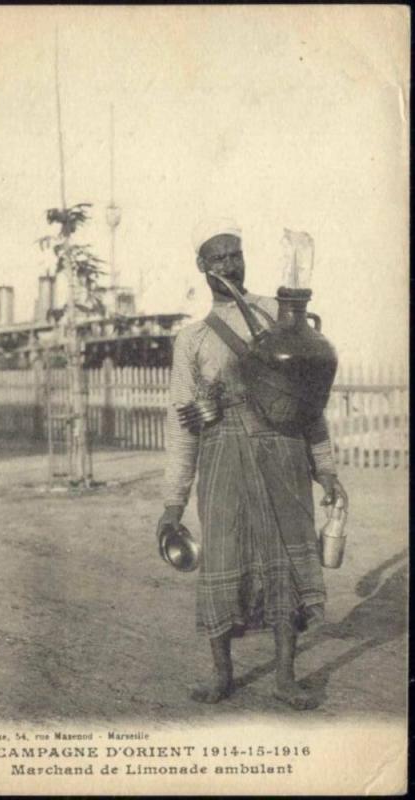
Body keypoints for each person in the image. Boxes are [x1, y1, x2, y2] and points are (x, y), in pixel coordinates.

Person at [157, 217, 348, 710]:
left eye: (234, 254)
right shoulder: (192, 340)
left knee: (285, 558)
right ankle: (222, 676)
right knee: (222, 558)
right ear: (201, 266)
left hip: (283, 451)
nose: (228, 265)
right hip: (222, 458)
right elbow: (183, 428)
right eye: (217, 257)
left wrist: (324, 467)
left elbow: (308, 401)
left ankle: (286, 678)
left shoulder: (278, 318)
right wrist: (173, 503)